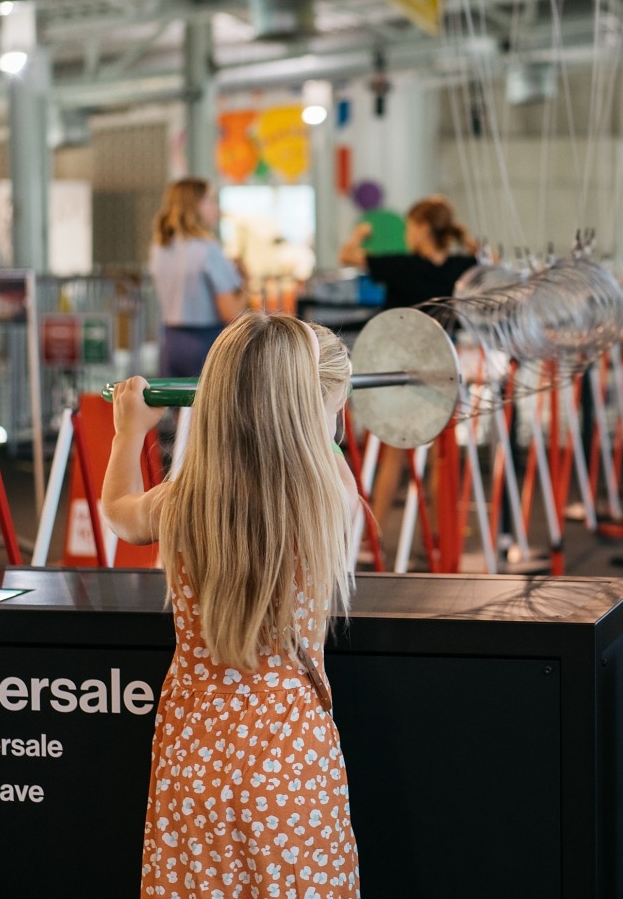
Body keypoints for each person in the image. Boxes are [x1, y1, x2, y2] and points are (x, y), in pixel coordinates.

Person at [101, 312, 362, 898]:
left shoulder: (182, 501)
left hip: (191, 758)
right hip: (288, 763)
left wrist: (129, 430)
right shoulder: (330, 502)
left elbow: (117, 509)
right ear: (312, 410)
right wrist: (309, 404)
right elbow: (314, 448)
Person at [358, 195, 478, 529]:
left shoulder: (401, 265)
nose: (407, 233)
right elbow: (483, 258)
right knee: (442, 456)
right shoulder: (461, 267)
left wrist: (358, 235)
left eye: (410, 226)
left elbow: (348, 256)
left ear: (423, 229)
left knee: (392, 451)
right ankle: (445, 533)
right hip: (441, 366)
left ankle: (375, 532)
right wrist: (464, 236)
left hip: (398, 370)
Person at [149, 177, 247, 377]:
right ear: (194, 206)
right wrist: (245, 280)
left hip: (170, 342)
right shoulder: (208, 250)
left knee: (174, 405)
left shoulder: (160, 248)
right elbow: (231, 312)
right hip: (204, 343)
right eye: (210, 201)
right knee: (207, 407)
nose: (216, 209)